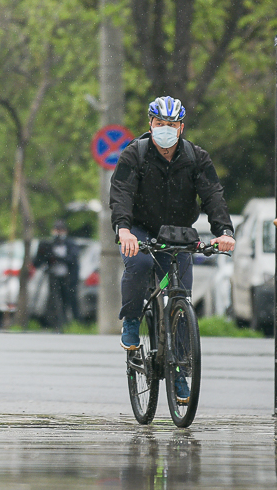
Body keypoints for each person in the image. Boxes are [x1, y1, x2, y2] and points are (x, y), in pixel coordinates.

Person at [108, 96, 236, 403]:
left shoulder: (196, 157)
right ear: (151, 124)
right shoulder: (134, 154)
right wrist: (123, 229)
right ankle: (131, 319)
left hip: (178, 233)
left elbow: (213, 196)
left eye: (172, 125)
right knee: (138, 266)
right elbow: (121, 193)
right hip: (140, 229)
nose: (165, 130)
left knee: (180, 298)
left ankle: (180, 374)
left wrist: (224, 232)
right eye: (160, 124)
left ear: (181, 127)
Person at [33, 220, 81, 331]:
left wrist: (57, 258)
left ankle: (73, 323)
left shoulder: (70, 244)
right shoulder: (49, 244)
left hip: (67, 278)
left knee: (68, 300)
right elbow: (38, 261)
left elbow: (72, 259)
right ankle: (54, 323)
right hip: (53, 277)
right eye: (56, 230)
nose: (58, 233)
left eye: (61, 230)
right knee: (53, 301)